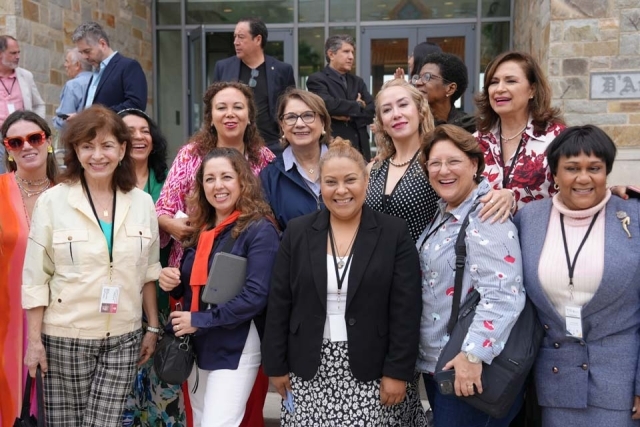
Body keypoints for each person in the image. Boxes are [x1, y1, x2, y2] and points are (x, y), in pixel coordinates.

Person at [262, 137, 422, 425]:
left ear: (365, 180)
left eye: (350, 180)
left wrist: (398, 371)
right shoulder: (298, 233)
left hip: (372, 369)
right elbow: (279, 303)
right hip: (307, 367)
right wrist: (275, 364)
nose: (341, 190)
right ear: (320, 185)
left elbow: (406, 309)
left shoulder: (393, 233)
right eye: (330, 182)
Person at [22, 105, 161, 427]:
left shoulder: (142, 203)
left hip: (124, 336)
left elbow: (149, 272)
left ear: (122, 148)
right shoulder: (53, 202)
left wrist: (152, 326)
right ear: (75, 150)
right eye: (87, 146)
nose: (98, 156)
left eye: (107, 145)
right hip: (64, 336)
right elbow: (35, 278)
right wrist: (34, 344)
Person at [155, 81, 274, 427]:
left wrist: (198, 320)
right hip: (198, 340)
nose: (218, 185)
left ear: (243, 182)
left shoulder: (259, 228)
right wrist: (172, 284)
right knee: (204, 419)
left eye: (226, 178)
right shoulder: (202, 232)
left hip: (232, 340)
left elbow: (255, 295)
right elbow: (195, 285)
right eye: (209, 179)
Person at [515, 125, 640, 427]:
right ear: (555, 175)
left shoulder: (633, 217)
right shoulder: (528, 219)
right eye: (572, 168)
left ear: (606, 172)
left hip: (620, 386)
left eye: (594, 168)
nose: (583, 178)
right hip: (555, 383)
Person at [417, 124, 525, 427]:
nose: (443, 170)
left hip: (468, 367)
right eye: (435, 163)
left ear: (474, 164)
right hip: (440, 362)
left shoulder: (485, 215)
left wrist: (473, 356)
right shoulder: (446, 211)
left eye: (453, 161)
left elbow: (504, 294)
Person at [118, 108, 184, 427]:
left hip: (162, 290)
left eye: (144, 130)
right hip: (120, 298)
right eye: (129, 130)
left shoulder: (170, 179)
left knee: (162, 386)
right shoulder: (106, 185)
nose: (138, 137)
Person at [0, 110, 58, 426]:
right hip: (6, 319)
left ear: (48, 142)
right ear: (8, 149)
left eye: (35, 138)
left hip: (59, 315)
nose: (27, 146)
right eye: (16, 141)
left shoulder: (67, 193)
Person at [474, 51, 566, 223]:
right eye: (493, 82)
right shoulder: (475, 141)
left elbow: (575, 192)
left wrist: (513, 198)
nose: (500, 89)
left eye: (511, 81)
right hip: (488, 245)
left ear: (532, 90)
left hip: (540, 239)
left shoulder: (558, 137)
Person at [366, 79, 439, 242]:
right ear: (382, 123)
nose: (396, 114)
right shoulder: (373, 169)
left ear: (420, 112)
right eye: (386, 110)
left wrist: (503, 195)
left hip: (421, 264)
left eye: (403, 105)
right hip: (378, 264)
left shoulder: (435, 162)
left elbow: (469, 199)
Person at [213, 17, 295, 156]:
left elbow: (291, 106)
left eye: (241, 37)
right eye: (234, 37)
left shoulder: (282, 70)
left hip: (272, 145)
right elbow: (213, 103)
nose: (235, 42)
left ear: (258, 39)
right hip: (233, 146)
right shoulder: (223, 67)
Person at [260, 88, 331, 230]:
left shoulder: (349, 164)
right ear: (282, 126)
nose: (299, 124)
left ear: (322, 122)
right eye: (291, 117)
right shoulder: (270, 177)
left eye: (308, 115)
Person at [306, 35, 375, 161]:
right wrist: (358, 106)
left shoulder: (357, 82)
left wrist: (344, 113)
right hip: (333, 147)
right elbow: (328, 105)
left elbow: (371, 111)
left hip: (361, 149)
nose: (351, 57)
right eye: (346, 52)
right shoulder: (317, 80)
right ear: (331, 54)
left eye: (352, 52)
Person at [72, 21, 147, 113]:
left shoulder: (128, 66)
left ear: (102, 44)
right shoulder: (96, 73)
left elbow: (136, 105)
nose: (84, 57)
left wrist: (99, 117)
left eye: (87, 51)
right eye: (81, 53)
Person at [0, 35, 46, 174]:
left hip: (23, 136)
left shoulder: (26, 76)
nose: (18, 56)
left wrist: (36, 125)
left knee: (22, 172)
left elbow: (39, 104)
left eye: (18, 52)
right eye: (13, 53)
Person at [411, 52, 476, 133]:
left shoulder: (470, 128)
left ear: (450, 88)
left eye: (427, 77)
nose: (418, 82)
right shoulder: (412, 125)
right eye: (419, 77)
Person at [53, 48, 92, 130]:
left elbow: (65, 120)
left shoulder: (73, 85)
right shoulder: (99, 81)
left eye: (67, 61)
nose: (65, 65)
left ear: (77, 65)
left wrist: (55, 121)